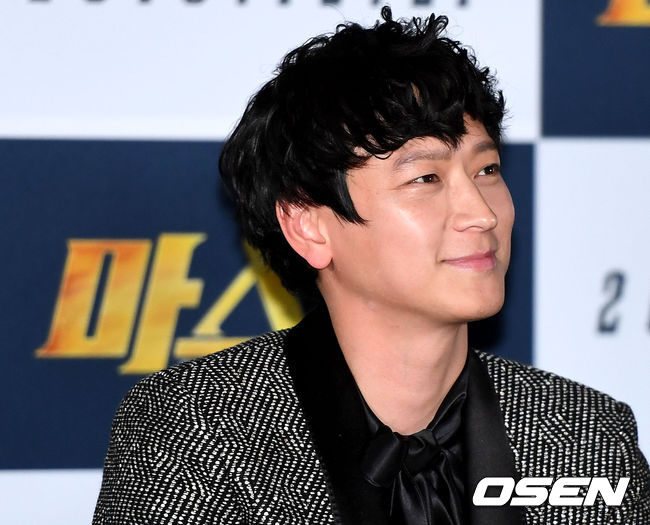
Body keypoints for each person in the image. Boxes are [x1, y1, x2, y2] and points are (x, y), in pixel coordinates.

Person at [93, 8, 649, 524]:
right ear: (309, 226)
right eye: (425, 178)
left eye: (487, 170)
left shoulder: (589, 439)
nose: (482, 214)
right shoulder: (196, 432)